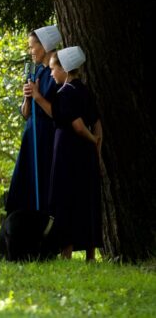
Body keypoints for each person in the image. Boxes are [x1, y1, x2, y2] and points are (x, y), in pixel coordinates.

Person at [47, 46, 103, 261]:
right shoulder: (85, 90)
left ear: (66, 70)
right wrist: (96, 147)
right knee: (87, 198)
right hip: (86, 154)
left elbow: (78, 126)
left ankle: (66, 252)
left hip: (67, 151)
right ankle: (90, 253)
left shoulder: (65, 93)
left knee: (66, 198)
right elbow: (97, 122)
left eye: (54, 69)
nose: (52, 74)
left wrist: (92, 139)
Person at [6, 25, 62, 213]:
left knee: (44, 181)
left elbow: (58, 112)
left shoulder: (56, 74)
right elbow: (25, 113)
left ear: (45, 46)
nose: (30, 52)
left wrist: (38, 96)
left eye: (32, 46)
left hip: (46, 135)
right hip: (31, 134)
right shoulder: (36, 71)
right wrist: (28, 98)